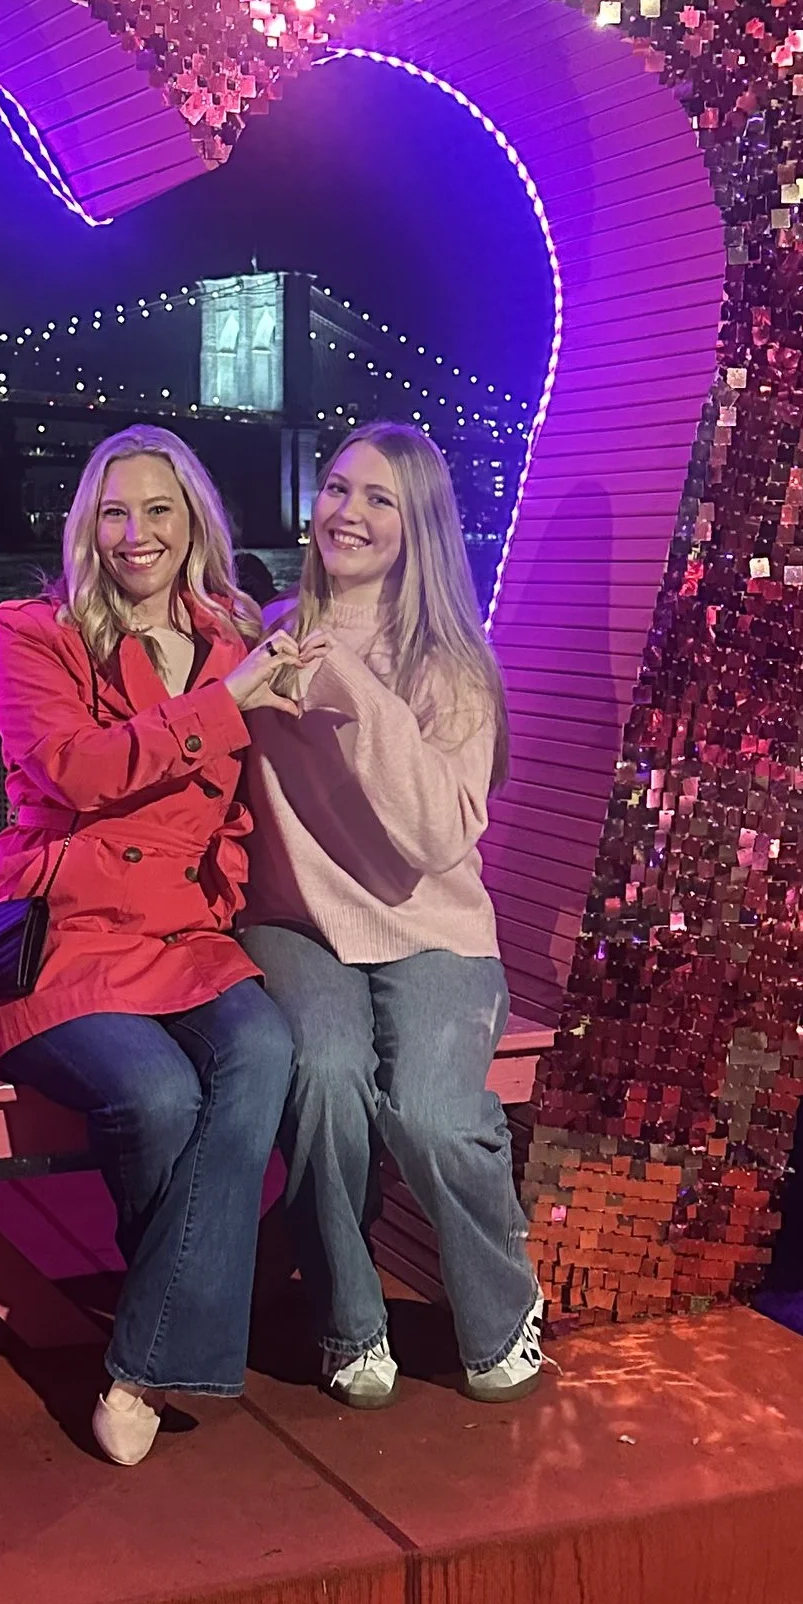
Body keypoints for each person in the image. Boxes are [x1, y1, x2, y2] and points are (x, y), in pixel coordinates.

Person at [0, 426, 303, 1467]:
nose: (135, 533)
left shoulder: (235, 637)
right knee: (156, 1098)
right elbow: (77, 771)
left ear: (193, 519)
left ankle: (144, 1356)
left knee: (263, 1052)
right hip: (51, 936)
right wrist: (227, 704)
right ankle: (166, 1347)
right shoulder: (34, 630)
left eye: (158, 509)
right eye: (114, 511)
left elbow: (241, 814)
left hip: (183, 933)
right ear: (85, 524)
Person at [240, 422, 544, 1405]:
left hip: (433, 931)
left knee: (431, 1112)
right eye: (336, 489)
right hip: (295, 925)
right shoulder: (267, 637)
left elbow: (434, 839)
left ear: (418, 527)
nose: (350, 514)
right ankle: (346, 1318)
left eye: (379, 499)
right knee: (324, 1077)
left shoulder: (449, 664)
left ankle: (502, 1312)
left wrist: (352, 691)